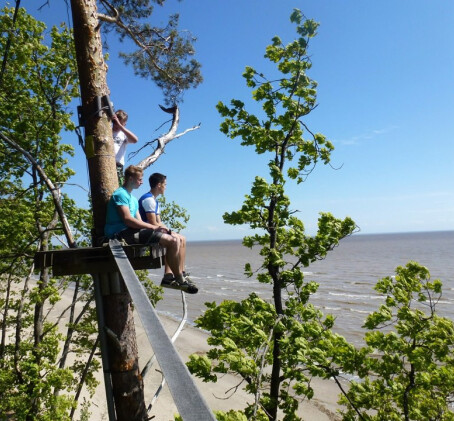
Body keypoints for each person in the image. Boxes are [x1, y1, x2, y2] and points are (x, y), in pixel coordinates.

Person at [104, 165, 198, 294]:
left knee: (173, 240)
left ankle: (169, 277)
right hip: (120, 234)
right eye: (139, 179)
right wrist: (154, 227)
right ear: (130, 178)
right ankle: (179, 279)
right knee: (171, 241)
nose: (142, 182)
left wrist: (157, 229)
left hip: (133, 231)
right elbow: (127, 220)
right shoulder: (120, 194)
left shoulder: (133, 199)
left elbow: (140, 221)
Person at [139, 173, 193, 291]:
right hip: (145, 232)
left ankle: (180, 272)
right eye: (165, 185)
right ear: (159, 185)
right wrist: (169, 232)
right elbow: (153, 223)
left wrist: (170, 231)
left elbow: (159, 222)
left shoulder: (155, 201)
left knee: (182, 238)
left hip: (154, 230)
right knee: (175, 240)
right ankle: (173, 276)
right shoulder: (148, 200)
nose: (166, 187)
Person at [112, 109, 138, 184]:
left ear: (124, 124)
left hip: (118, 164)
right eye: (115, 123)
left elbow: (135, 140)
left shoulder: (123, 134)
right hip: (107, 160)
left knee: (117, 185)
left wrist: (121, 127)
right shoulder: (108, 132)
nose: (117, 125)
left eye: (120, 123)